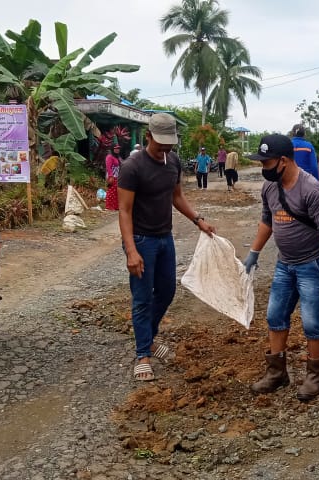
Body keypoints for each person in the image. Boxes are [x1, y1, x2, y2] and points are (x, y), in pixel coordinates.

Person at [241, 133, 319, 402]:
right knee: (275, 316)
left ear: (284, 161)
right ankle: (277, 373)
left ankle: (315, 376)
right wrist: (254, 252)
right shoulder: (270, 188)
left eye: (267, 163)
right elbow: (267, 220)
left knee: (312, 322)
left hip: (312, 265)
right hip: (284, 265)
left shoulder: (311, 190)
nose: (263, 168)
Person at [118, 113, 217, 381]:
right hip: (141, 239)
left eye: (169, 144)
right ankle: (142, 354)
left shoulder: (172, 161)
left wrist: (198, 220)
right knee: (142, 298)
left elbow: (177, 196)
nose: (165, 149)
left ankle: (148, 338)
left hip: (165, 237)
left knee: (167, 291)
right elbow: (124, 210)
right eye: (160, 144)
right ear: (148, 136)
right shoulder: (132, 167)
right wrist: (131, 250)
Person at [105, 145, 121, 211]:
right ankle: (109, 206)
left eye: (118, 148)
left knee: (116, 192)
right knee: (111, 191)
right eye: (115, 148)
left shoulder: (116, 157)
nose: (117, 150)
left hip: (117, 176)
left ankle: (115, 206)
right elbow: (108, 167)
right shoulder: (109, 157)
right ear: (112, 149)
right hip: (112, 176)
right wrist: (111, 176)